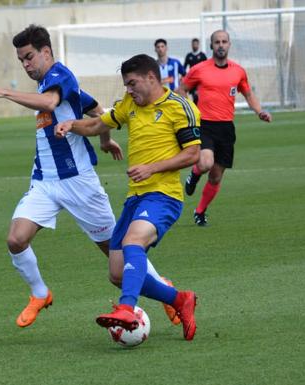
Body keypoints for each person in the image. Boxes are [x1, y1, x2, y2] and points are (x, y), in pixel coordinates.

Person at [0, 24, 123, 328]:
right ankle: (40, 293)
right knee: (16, 239)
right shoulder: (55, 85)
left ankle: (168, 291)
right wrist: (105, 139)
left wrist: (3, 92)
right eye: (21, 61)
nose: (26, 65)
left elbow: (50, 103)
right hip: (45, 183)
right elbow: (96, 110)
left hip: (79, 182)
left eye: (29, 58)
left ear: (45, 52)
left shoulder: (60, 76)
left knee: (117, 261)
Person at [55, 53, 200, 341]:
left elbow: (193, 153)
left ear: (151, 77)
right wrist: (72, 125)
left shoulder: (179, 106)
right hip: (136, 198)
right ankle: (179, 299)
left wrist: (152, 168)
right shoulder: (130, 105)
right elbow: (99, 125)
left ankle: (126, 308)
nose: (129, 90)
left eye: (132, 83)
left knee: (134, 242)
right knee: (117, 272)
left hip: (164, 196)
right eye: (126, 85)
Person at [178, 30, 272, 226]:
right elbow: (182, 89)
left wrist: (259, 111)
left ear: (229, 45)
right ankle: (194, 175)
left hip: (226, 128)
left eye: (224, 41)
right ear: (211, 46)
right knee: (205, 163)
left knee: (216, 176)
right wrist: (188, 111)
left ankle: (200, 211)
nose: (221, 45)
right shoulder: (200, 69)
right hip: (204, 124)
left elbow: (248, 95)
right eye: (217, 42)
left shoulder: (238, 71)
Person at [183, 38, 207, 105]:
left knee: (199, 96)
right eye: (193, 44)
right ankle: (194, 110)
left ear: (198, 45)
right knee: (194, 96)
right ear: (191, 45)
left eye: (196, 44)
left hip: (201, 80)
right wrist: (185, 77)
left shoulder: (202, 55)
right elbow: (184, 68)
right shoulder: (189, 56)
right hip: (192, 80)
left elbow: (207, 67)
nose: (195, 45)